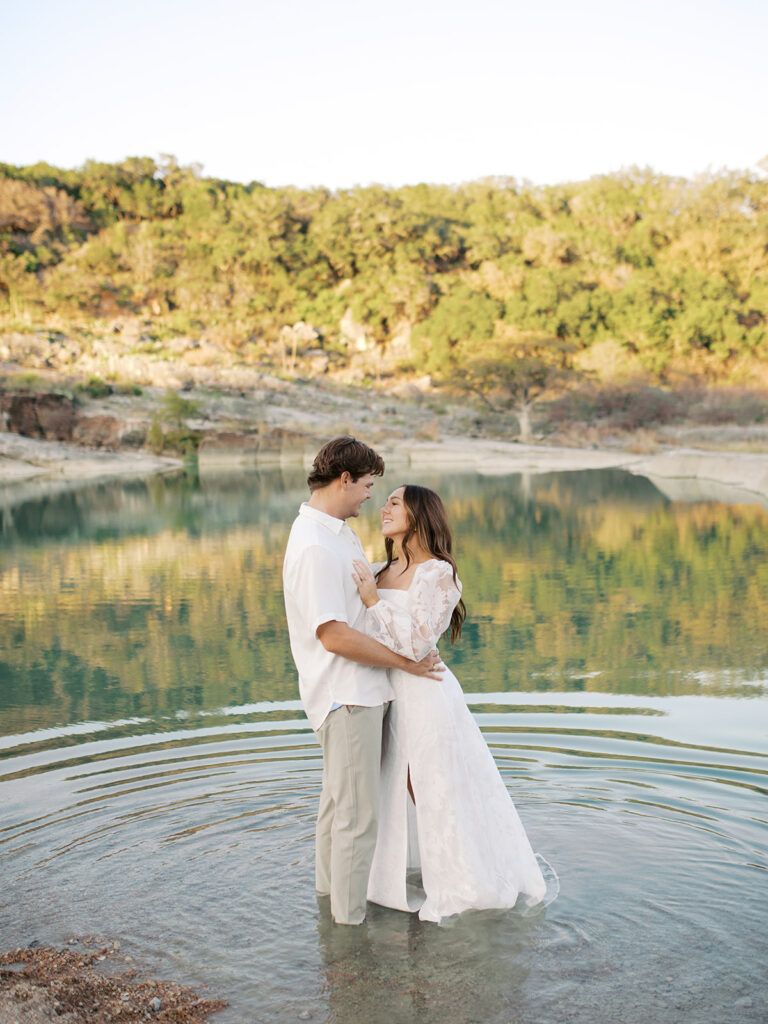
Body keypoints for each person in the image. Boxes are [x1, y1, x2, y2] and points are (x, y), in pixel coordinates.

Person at [351, 484, 549, 923]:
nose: (382, 507)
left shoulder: (439, 573)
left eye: (395, 502)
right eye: (383, 499)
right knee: (394, 786)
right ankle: (391, 876)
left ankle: (464, 881)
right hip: (383, 692)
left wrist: (371, 603)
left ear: (419, 515)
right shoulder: (378, 570)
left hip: (425, 695)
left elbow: (420, 643)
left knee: (433, 788)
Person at [282, 438, 443, 927]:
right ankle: (348, 934)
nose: (371, 497)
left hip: (362, 691)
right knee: (358, 820)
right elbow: (332, 635)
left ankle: (329, 912)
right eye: (369, 485)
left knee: (338, 812)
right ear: (345, 479)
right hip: (346, 693)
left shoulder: (337, 532)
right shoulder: (313, 544)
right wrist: (406, 660)